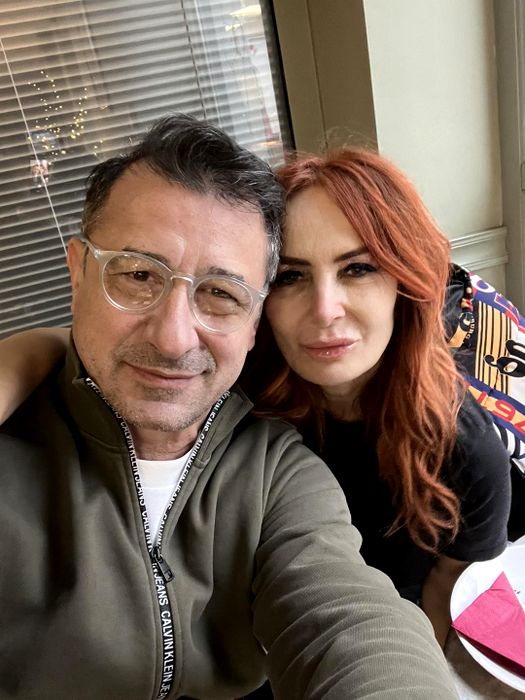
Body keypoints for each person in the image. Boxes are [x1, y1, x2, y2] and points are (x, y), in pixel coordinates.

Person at [0, 115, 460, 700]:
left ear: (254, 323)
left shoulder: (275, 470)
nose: (173, 338)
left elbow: (348, 622)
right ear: (78, 269)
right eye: (137, 275)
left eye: (221, 293)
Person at [241, 148, 512, 649]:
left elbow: (442, 603)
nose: (325, 310)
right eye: (290, 276)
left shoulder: (466, 453)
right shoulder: (238, 411)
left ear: (403, 283)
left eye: (358, 269)